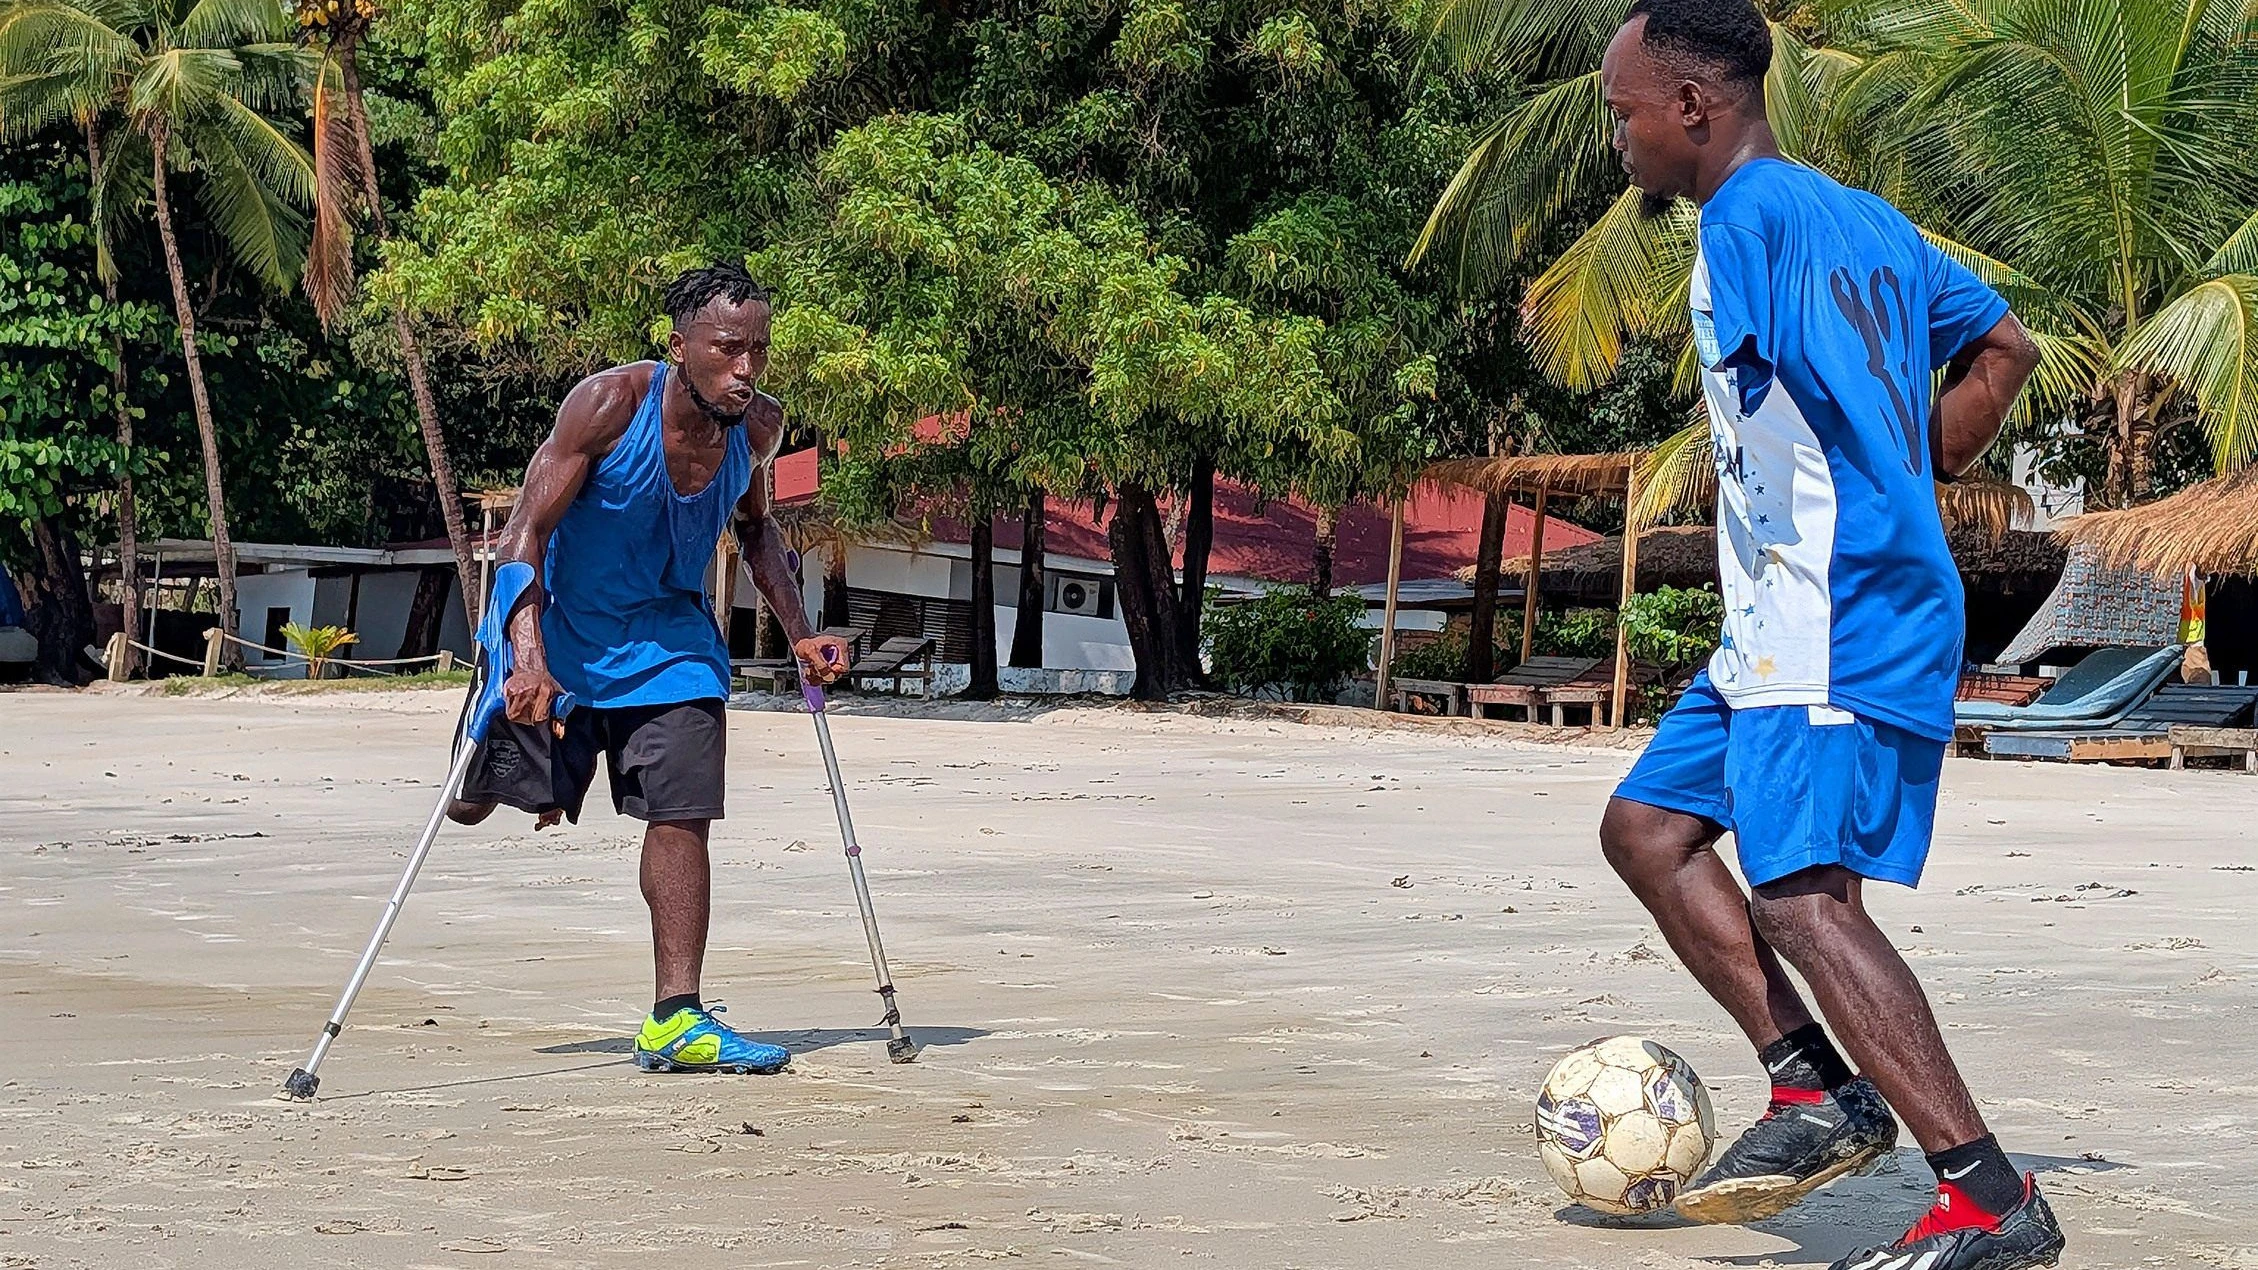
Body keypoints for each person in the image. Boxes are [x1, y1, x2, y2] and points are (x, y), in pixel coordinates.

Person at [1593, 2, 2063, 1268]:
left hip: (1833, 611)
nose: (1616, 137)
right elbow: (2003, 344)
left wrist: (1882, 487)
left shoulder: (1742, 220)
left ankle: (1986, 1197)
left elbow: (1831, 384)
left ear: (1693, 106)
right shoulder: (1868, 219)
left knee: (1800, 898)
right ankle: (1812, 1090)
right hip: (1780, 617)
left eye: (1622, 111)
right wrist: (1914, 466)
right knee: (1647, 829)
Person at [448, 262, 849, 1077]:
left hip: (674, 646)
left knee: (682, 809)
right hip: (560, 641)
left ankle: (677, 1015)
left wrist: (801, 632)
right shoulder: (609, 406)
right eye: (729, 349)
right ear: (680, 346)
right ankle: (487, 732)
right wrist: (525, 658)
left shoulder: (759, 429)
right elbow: (521, 533)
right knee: (471, 805)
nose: (745, 370)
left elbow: (758, 533)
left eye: (758, 352)